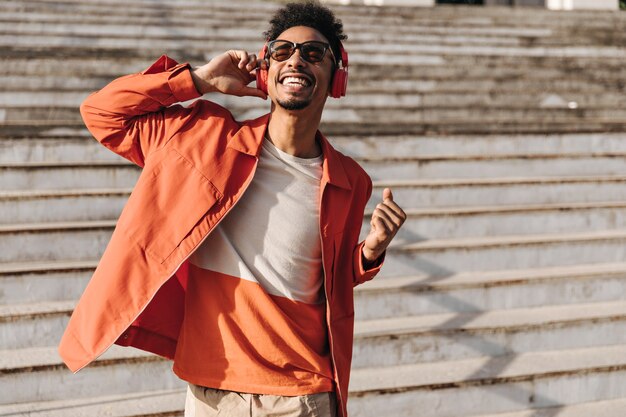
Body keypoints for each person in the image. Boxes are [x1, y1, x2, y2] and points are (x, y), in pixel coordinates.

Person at [59, 2, 406, 416]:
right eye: (282, 51)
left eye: (314, 53)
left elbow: (326, 277)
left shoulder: (350, 181)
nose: (296, 59)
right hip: (211, 392)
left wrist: (370, 252)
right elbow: (102, 113)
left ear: (337, 77)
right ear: (266, 68)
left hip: (300, 396)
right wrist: (200, 79)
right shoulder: (200, 140)